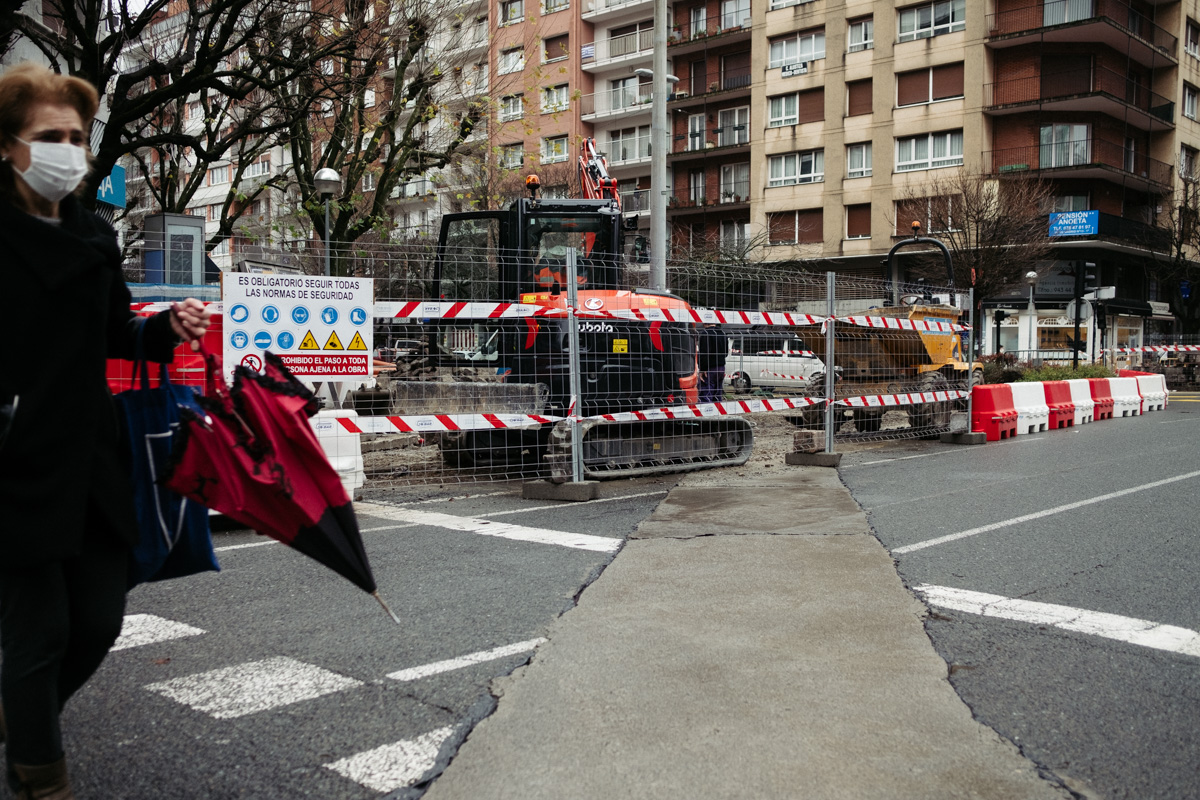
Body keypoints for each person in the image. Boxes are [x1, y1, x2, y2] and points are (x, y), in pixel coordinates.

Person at [0, 62, 210, 800]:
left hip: (91, 455)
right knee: (39, 633)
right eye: (48, 137)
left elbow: (117, 331)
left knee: (98, 621)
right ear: (7, 146)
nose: (67, 151)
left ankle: (22, 720)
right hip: (12, 463)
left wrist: (166, 328)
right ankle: (41, 778)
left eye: (75, 137)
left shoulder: (91, 232)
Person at [697, 323, 727, 403]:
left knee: (706, 394)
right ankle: (717, 409)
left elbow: (703, 353)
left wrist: (702, 369)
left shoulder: (705, 333)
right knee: (717, 394)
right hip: (721, 367)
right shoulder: (722, 333)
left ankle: (706, 410)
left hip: (709, 368)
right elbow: (726, 353)